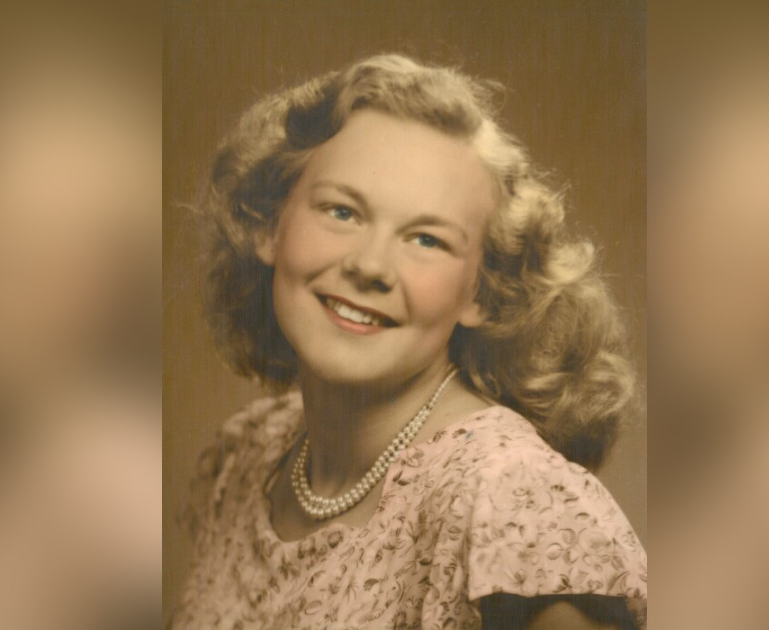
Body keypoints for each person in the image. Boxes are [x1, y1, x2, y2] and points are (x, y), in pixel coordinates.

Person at [174, 54, 647, 630]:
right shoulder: (246, 457)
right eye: (342, 211)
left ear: (483, 290)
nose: (371, 265)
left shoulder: (509, 498)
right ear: (269, 225)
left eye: (426, 239)